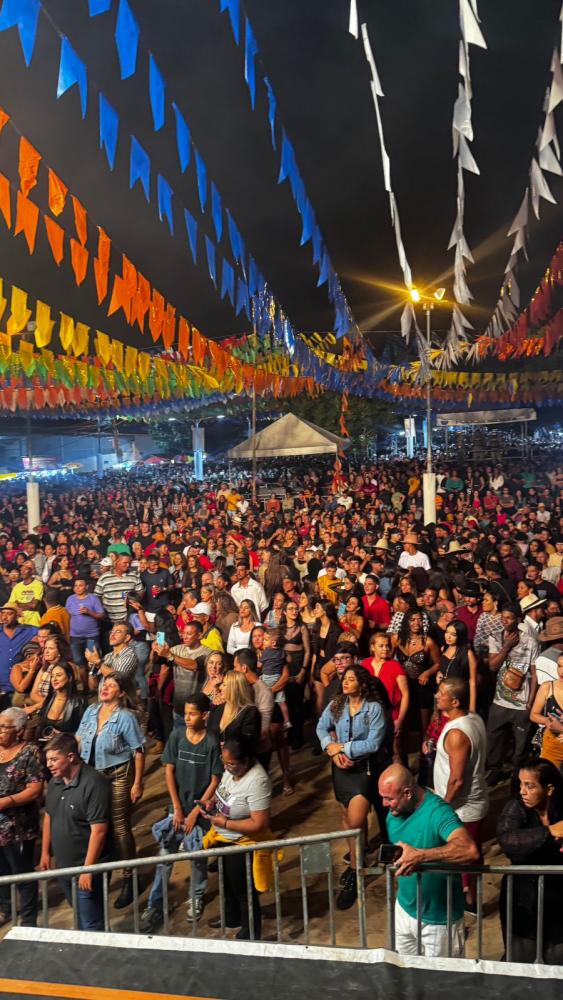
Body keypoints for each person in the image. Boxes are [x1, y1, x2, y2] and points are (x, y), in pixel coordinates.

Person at [140, 691, 223, 932]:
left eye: (192, 713)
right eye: (185, 713)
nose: (187, 717)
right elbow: (168, 771)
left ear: (204, 715)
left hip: (200, 813)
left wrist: (196, 812)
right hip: (176, 810)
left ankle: (196, 897)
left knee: (197, 857)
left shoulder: (211, 742)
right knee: (165, 856)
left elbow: (215, 779)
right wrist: (176, 808)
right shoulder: (177, 737)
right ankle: (155, 903)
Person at [378, 764, 479, 957]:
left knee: (441, 983)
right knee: (403, 976)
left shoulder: (438, 811)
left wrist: (421, 855)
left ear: (407, 793)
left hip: (440, 921)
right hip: (405, 910)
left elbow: (469, 849)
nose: (384, 804)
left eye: (388, 798)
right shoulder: (393, 814)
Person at [317, 665, 392, 910]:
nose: (346, 682)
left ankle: (354, 871)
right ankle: (356, 865)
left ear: (362, 683)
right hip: (340, 768)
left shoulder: (374, 708)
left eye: (351, 678)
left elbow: (373, 743)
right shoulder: (337, 703)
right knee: (347, 820)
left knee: (356, 820)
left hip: (363, 770)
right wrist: (330, 748)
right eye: (345, 678)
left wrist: (343, 748)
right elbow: (321, 726)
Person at [76, 673, 145, 909]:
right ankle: (99, 869)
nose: (105, 688)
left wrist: (137, 783)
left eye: (112, 685)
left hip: (118, 775)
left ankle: (130, 877)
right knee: (95, 824)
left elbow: (138, 751)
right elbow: (78, 738)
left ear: (121, 693)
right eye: (104, 684)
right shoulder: (90, 711)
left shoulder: (126, 718)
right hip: (91, 775)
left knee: (119, 827)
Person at [202, 738, 272, 940]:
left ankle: (251, 930)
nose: (227, 767)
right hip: (223, 839)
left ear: (246, 761)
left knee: (243, 890)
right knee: (227, 885)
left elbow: (259, 823)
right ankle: (232, 918)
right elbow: (221, 790)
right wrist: (210, 803)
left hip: (242, 842)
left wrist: (225, 823)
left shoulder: (257, 781)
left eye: (231, 764)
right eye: (225, 763)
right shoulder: (231, 769)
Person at [40, 733, 111, 932]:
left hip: (86, 867)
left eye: (54, 759)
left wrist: (87, 870)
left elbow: (99, 831)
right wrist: (45, 853)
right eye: (48, 760)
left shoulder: (93, 783)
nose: (49, 765)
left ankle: (101, 960)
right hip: (65, 867)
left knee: (92, 923)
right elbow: (49, 816)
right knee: (81, 919)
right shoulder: (55, 782)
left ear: (71, 757)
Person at [497, 757, 563, 964]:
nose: (522, 791)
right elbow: (508, 840)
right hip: (523, 901)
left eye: (530, 786)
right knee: (520, 961)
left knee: (557, 960)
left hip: (558, 900)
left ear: (549, 789)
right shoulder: (515, 807)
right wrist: (549, 831)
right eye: (520, 784)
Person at [433, 678, 488, 909]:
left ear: (454, 701)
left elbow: (456, 780)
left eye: (441, 693)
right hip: (467, 805)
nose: (436, 695)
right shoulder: (472, 717)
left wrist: (441, 806)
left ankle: (468, 902)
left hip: (462, 808)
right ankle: (467, 896)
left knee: (463, 856)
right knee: (467, 855)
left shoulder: (457, 734)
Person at [486, 604, 539, 787]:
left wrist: (531, 701)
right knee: (494, 738)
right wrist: (507, 647)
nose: (505, 621)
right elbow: (492, 666)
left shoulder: (531, 642)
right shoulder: (496, 638)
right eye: (503, 618)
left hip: (522, 703)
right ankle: (496, 770)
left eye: (509, 618)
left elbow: (534, 674)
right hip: (500, 700)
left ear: (518, 619)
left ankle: (517, 778)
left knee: (520, 746)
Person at [0, 707, 44, 927]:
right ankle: (5, 908)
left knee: (22, 871)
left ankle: (28, 919)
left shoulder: (30, 752)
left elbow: (35, 789)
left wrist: (7, 801)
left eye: (3, 727)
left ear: (18, 730)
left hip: (19, 826)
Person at [361, 633, 409, 761]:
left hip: (392, 715)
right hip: (369, 716)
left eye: (387, 646)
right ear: (372, 647)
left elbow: (405, 694)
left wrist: (400, 720)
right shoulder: (365, 664)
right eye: (381, 646)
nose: (385, 649)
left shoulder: (395, 666)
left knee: (395, 751)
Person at [437, 620, 478, 714]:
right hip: (442, 694)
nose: (448, 636)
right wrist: (438, 674)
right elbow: (444, 668)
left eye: (453, 634)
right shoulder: (443, 648)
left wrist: (472, 707)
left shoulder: (468, 654)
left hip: (457, 697)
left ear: (460, 636)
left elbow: (473, 682)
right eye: (447, 632)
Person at [529, 653, 563, 769]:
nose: (561, 671)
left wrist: (561, 728)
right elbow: (533, 715)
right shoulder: (547, 687)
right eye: (559, 666)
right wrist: (548, 721)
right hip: (551, 745)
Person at [0, 604, 38, 707]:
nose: (4, 617)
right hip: (1, 686)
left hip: (19, 686)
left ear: (17, 615)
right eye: (2, 613)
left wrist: (39, 641)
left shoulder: (29, 631)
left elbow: (47, 633)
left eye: (9, 614)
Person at [37, 662, 86, 741]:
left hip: (66, 746)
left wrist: (62, 736)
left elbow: (84, 732)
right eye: (52, 676)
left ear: (69, 678)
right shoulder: (49, 699)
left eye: (59, 675)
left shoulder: (79, 701)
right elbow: (41, 726)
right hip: (45, 744)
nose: (54, 679)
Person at [65, 577, 104, 668]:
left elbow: (102, 615)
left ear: (86, 587)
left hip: (90, 637)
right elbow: (67, 616)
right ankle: (83, 682)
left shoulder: (93, 598)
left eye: (80, 585)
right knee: (78, 661)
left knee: (92, 661)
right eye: (75, 586)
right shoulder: (70, 599)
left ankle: (93, 680)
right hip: (75, 637)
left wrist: (89, 612)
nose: (77, 588)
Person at [259, 627, 291, 730]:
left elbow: (259, 665)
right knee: (282, 703)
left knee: (265, 701)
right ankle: (287, 721)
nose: (263, 641)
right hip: (277, 678)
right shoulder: (282, 652)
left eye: (265, 639)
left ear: (273, 643)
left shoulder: (266, 652)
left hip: (267, 678)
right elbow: (289, 660)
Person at [9, 561, 44, 626]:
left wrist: (18, 604)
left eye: (25, 569)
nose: (22, 572)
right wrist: (28, 604)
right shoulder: (17, 586)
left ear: (31, 571)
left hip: (33, 621)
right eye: (21, 570)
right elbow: (11, 605)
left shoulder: (38, 584)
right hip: (19, 622)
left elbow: (33, 606)